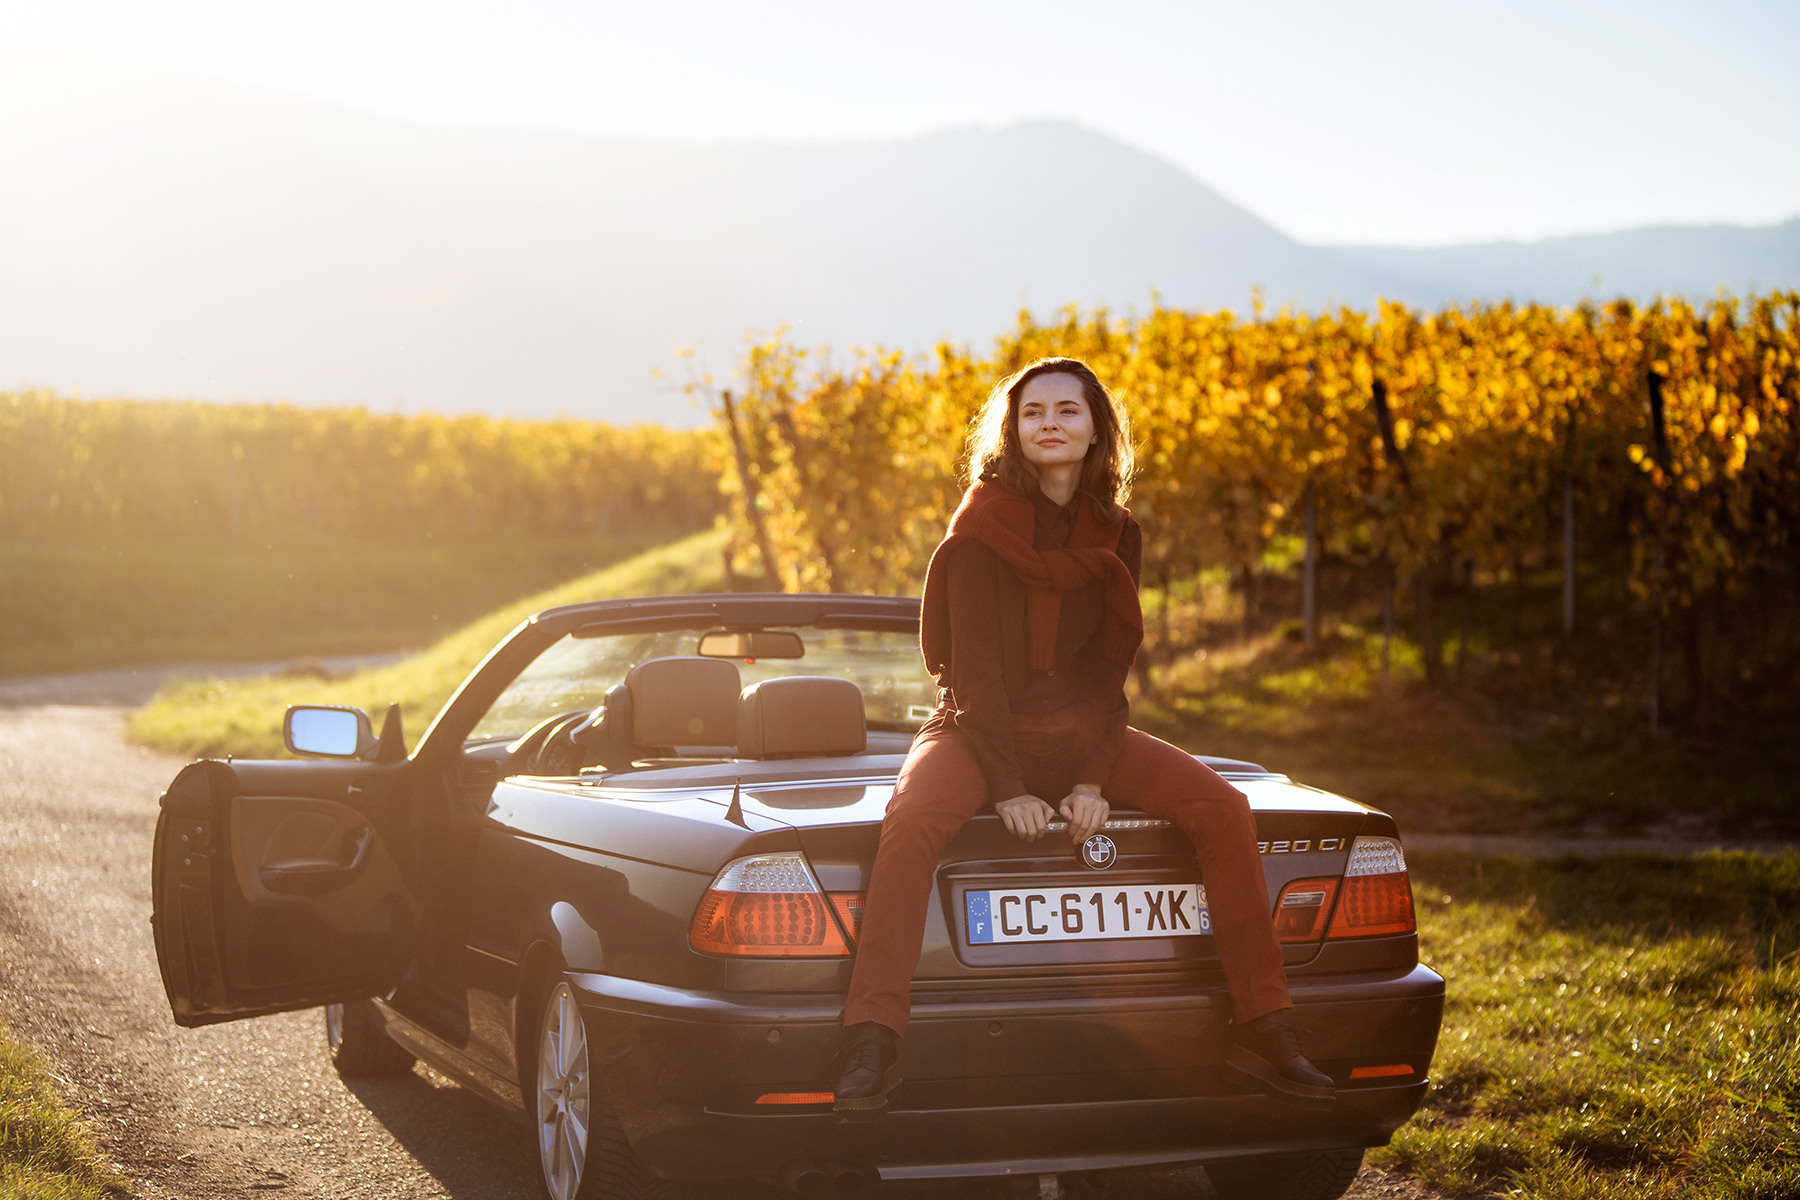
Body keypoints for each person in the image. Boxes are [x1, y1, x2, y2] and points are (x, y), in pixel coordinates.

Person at [832, 357, 1333, 1113]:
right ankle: (875, 1039)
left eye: (1068, 411)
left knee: (1224, 809)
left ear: (1096, 428)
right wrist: (1008, 789)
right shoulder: (979, 529)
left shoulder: (1117, 532)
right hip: (978, 730)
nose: (1050, 424)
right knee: (912, 821)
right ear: (1013, 428)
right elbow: (974, 674)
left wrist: (1092, 778)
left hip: (1081, 729)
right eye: (1033, 412)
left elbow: (1109, 672)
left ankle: (1264, 1028)